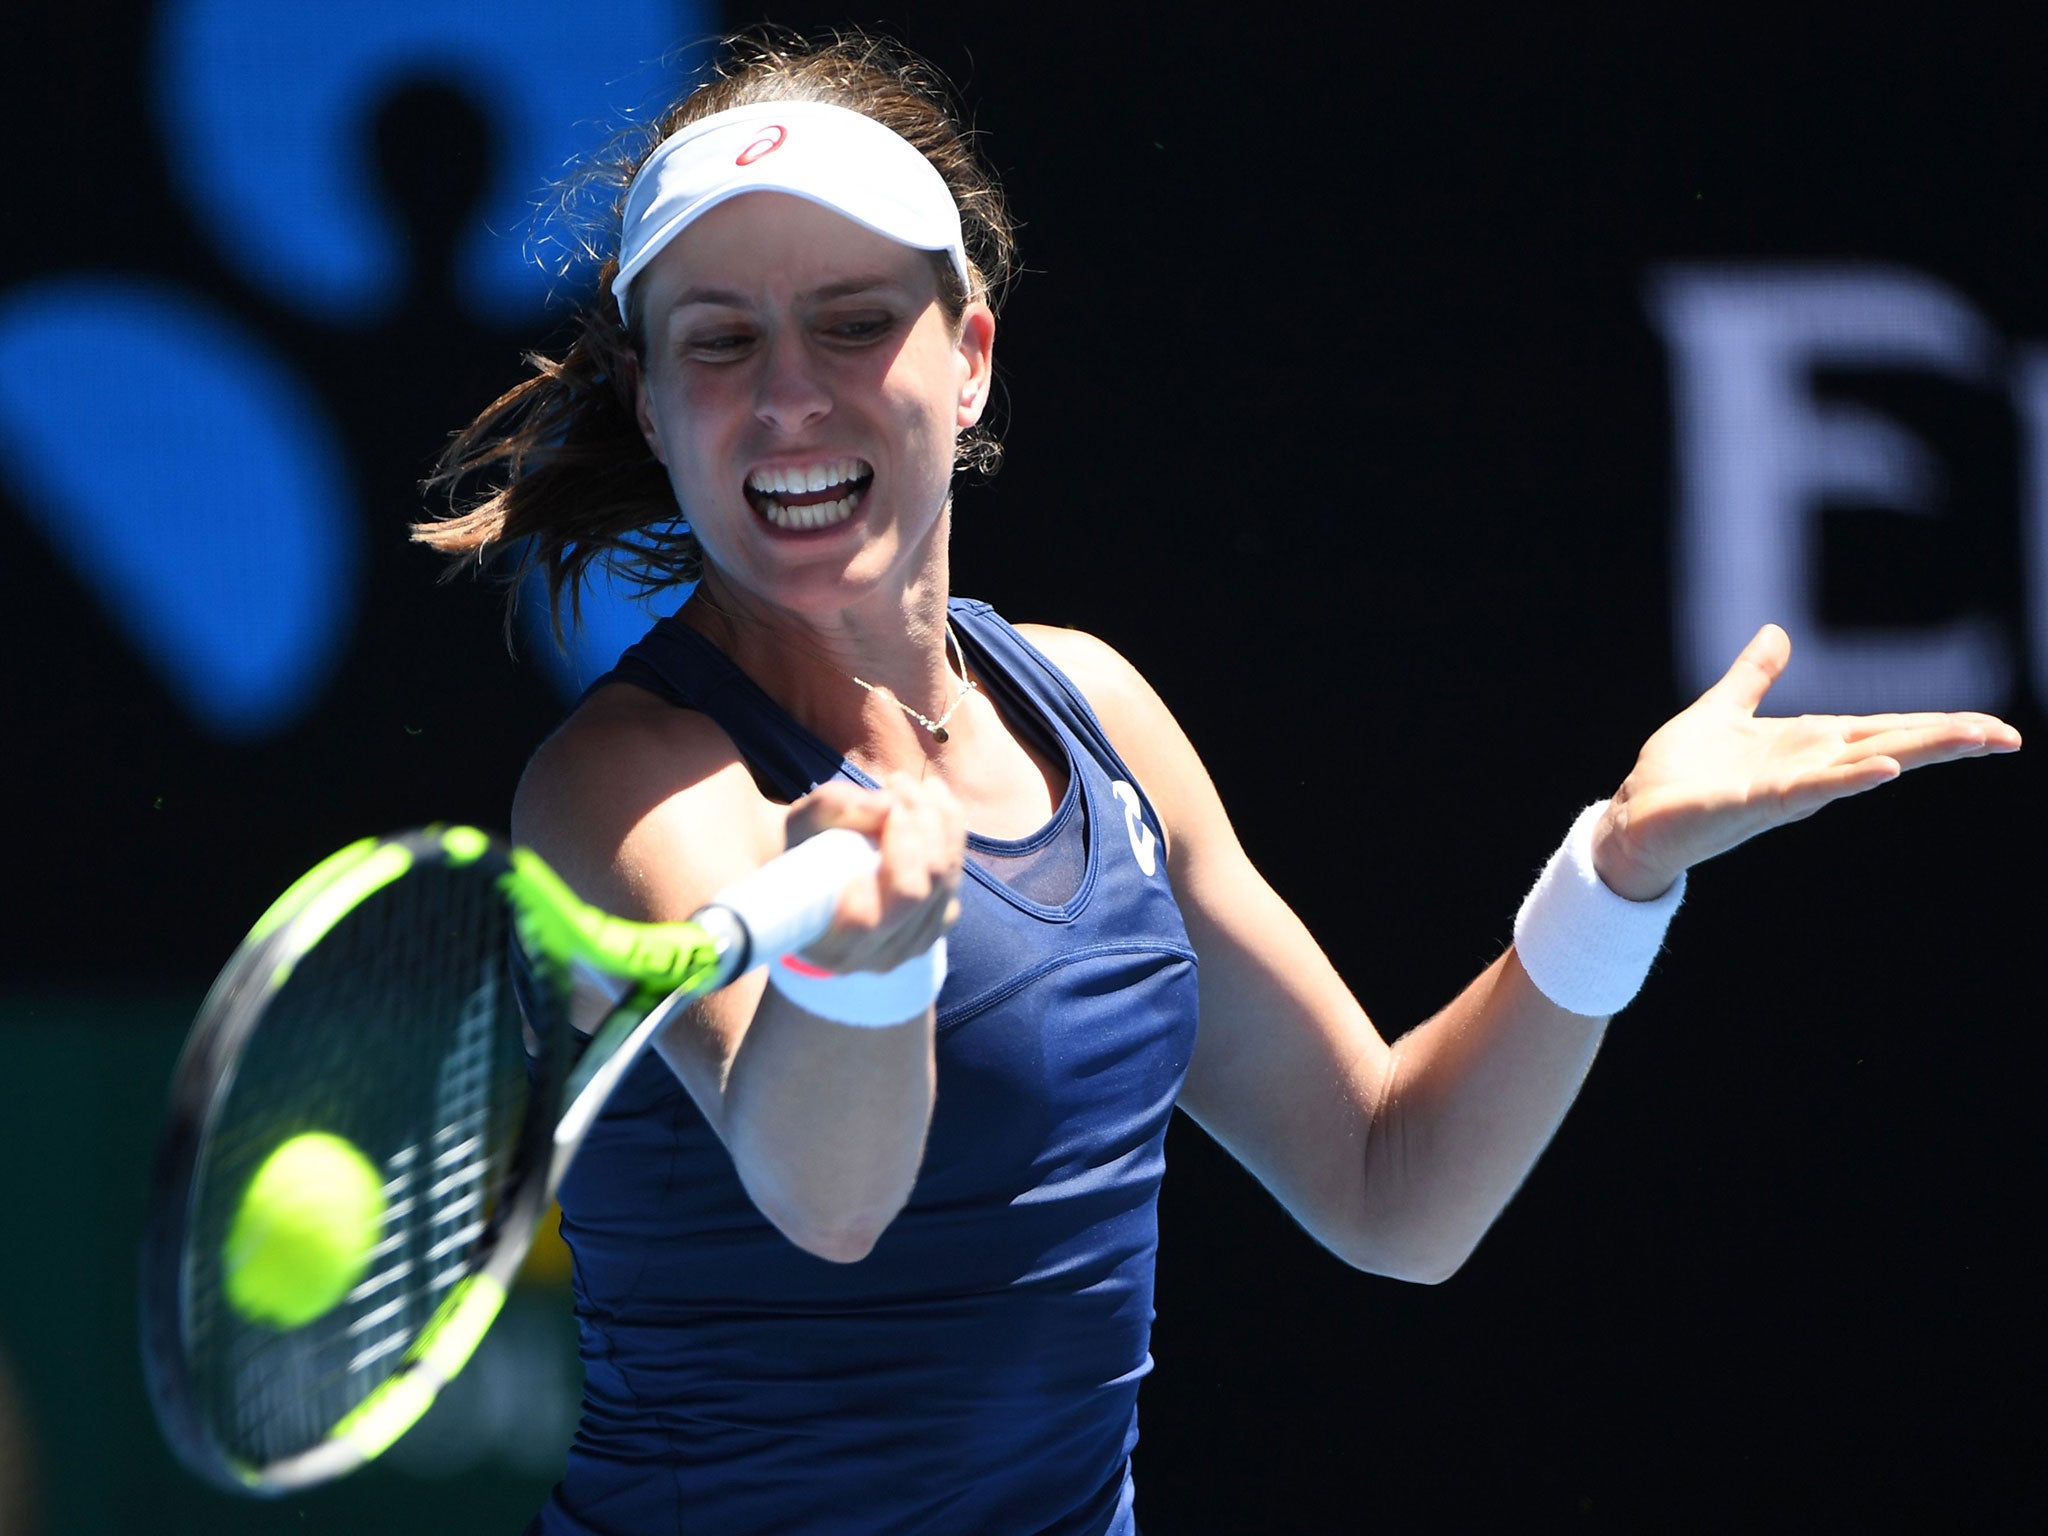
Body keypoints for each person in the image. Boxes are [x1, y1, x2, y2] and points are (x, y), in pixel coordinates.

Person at [416, 29, 2021, 1536]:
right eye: (721, 343)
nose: (786, 399)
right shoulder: (627, 787)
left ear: (969, 357)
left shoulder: (1093, 710)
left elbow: (1394, 1188)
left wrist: (1615, 874)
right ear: (651, 397)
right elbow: (827, 1200)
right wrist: (868, 966)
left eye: (854, 321)